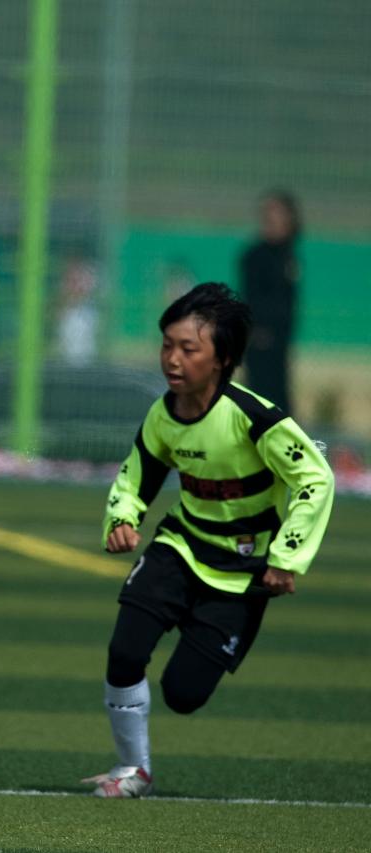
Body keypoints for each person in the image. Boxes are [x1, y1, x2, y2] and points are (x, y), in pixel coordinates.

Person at [85, 282, 333, 798]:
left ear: (221, 359)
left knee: (183, 693)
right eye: (166, 345)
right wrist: (121, 519)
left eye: (188, 348)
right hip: (179, 545)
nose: (172, 359)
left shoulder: (255, 417)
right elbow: (135, 480)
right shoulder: (163, 414)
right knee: (125, 649)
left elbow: (316, 479)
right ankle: (134, 770)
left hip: (242, 570)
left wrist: (286, 558)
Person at [240, 189, 301, 414]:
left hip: (280, 344)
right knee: (260, 398)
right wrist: (257, 331)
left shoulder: (289, 257)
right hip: (260, 341)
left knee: (279, 398)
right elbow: (251, 299)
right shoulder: (255, 257)